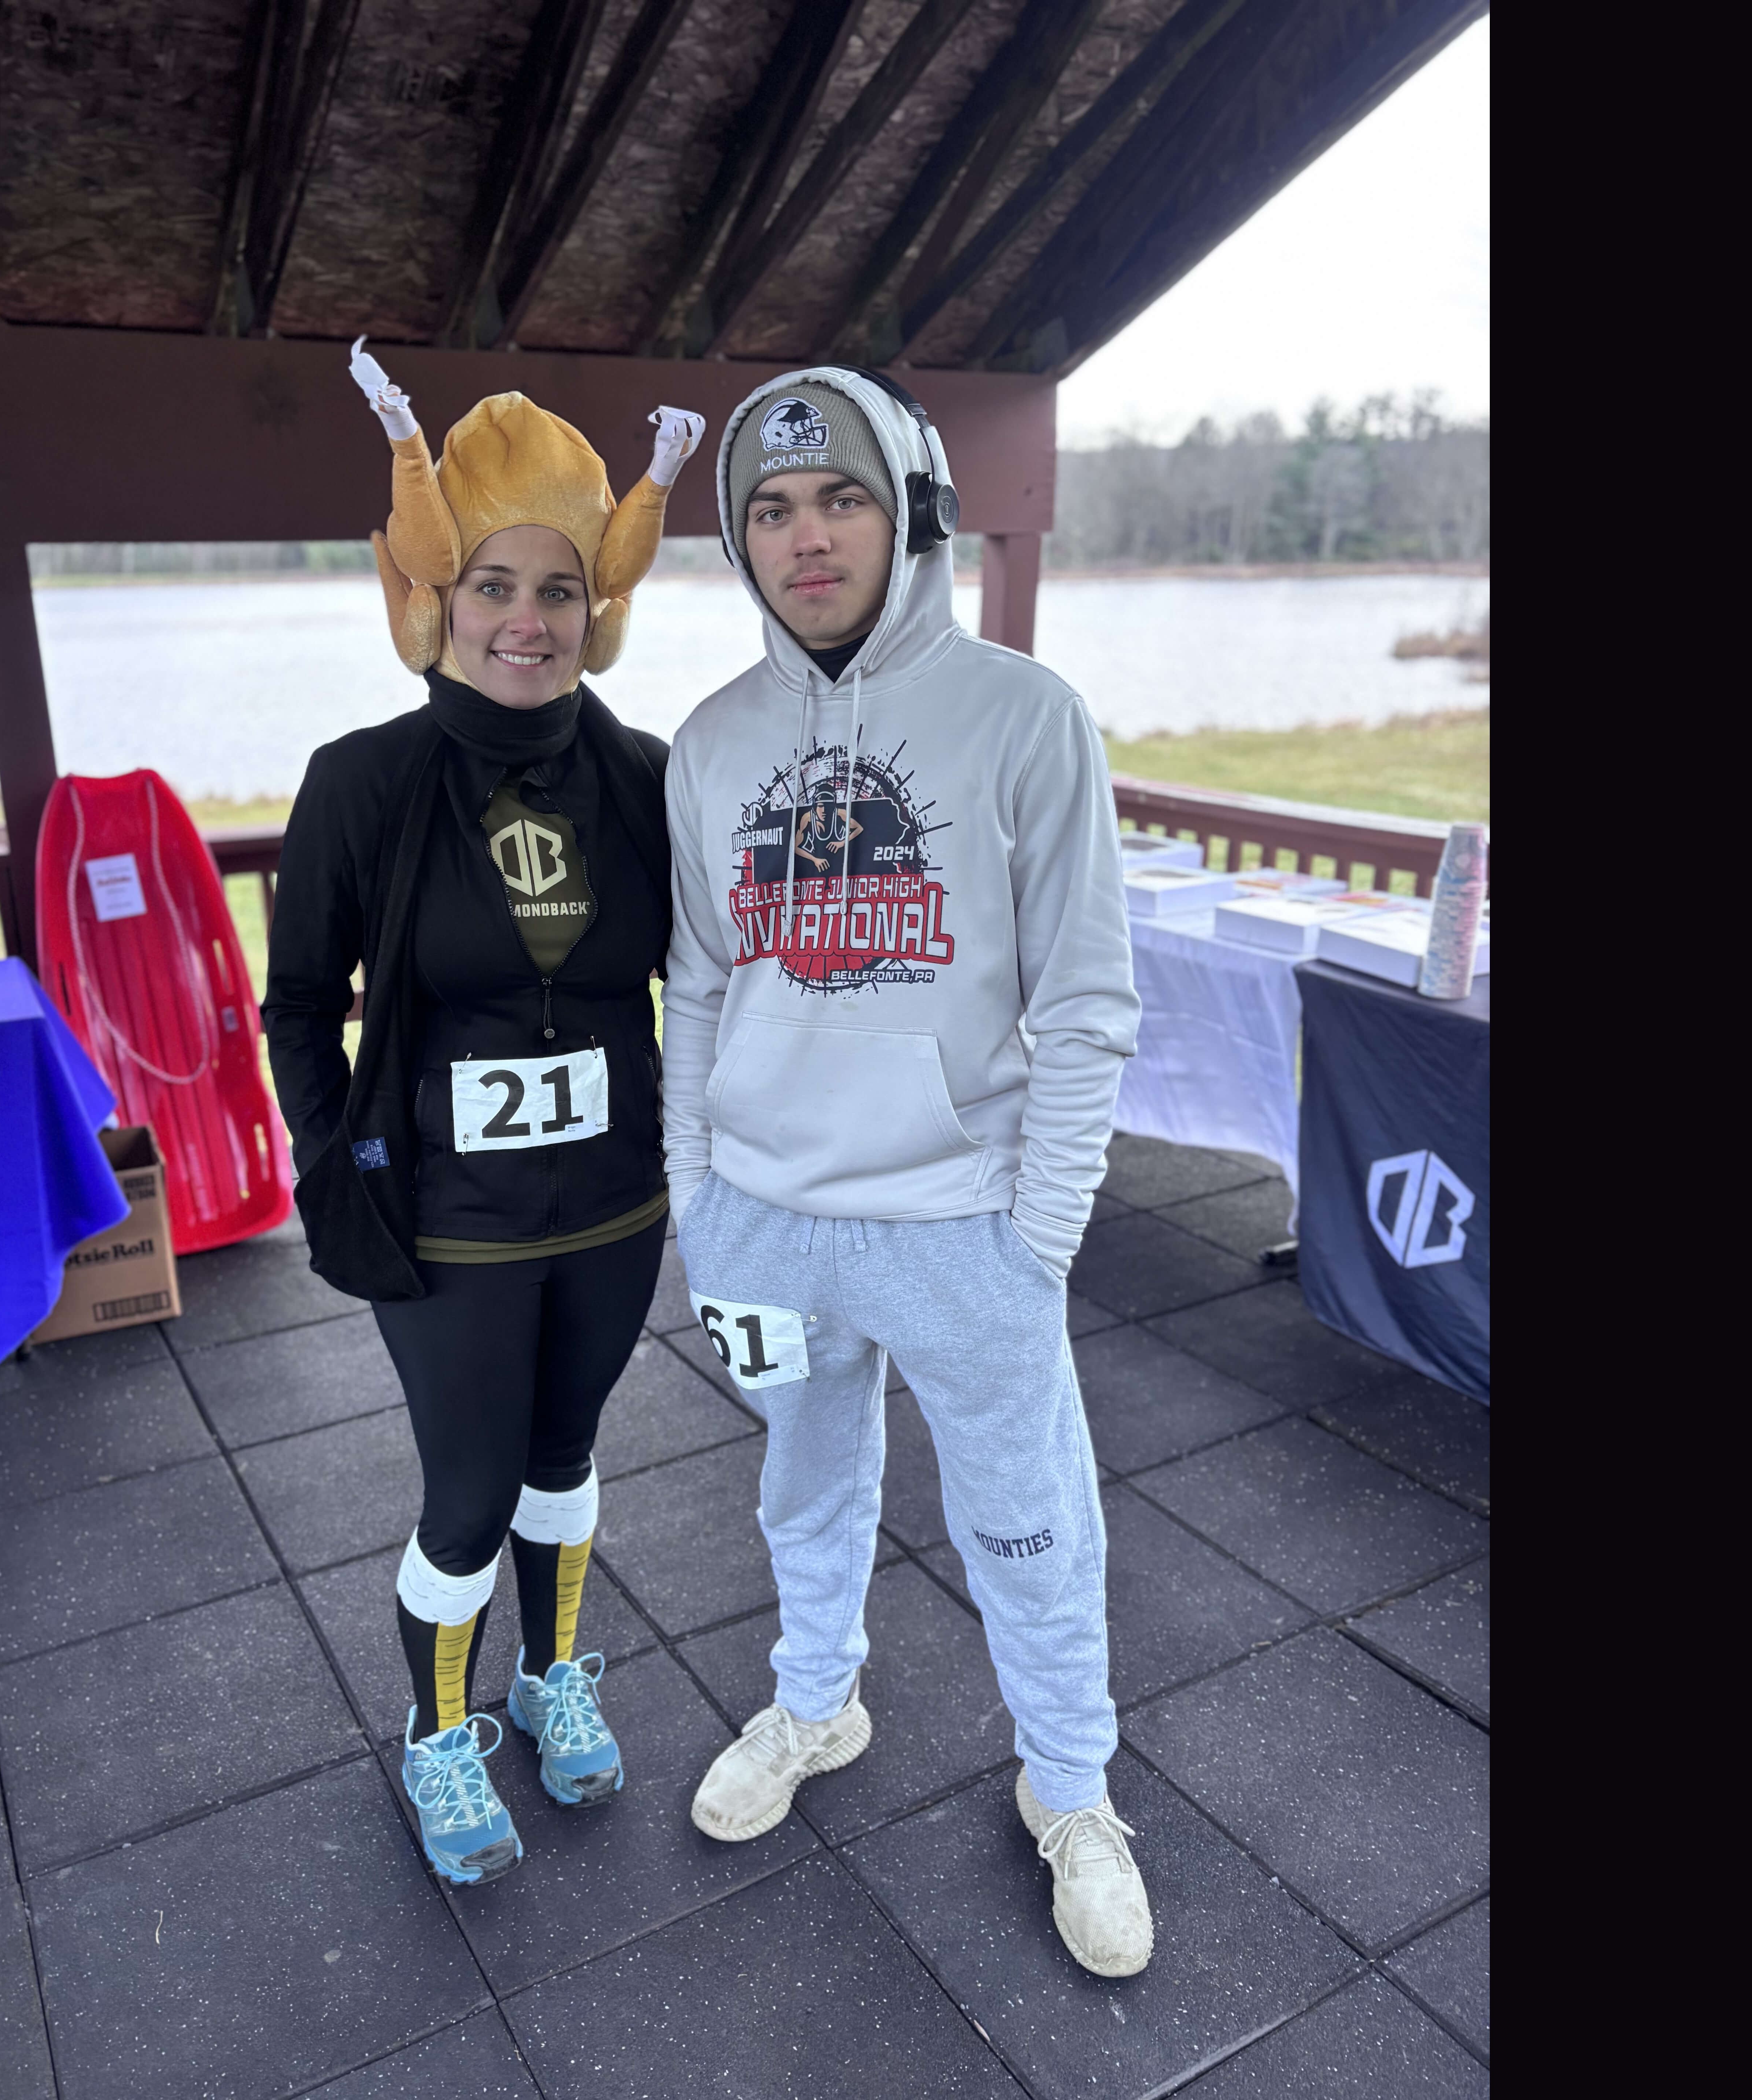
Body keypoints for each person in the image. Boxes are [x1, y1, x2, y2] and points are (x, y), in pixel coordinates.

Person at [661, 370, 1154, 1976]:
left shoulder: (1025, 716)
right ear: (741, 540)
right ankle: (819, 1704)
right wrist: (700, 1196)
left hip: (961, 1223)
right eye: (771, 510)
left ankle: (1070, 1787)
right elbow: (700, 987)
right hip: (767, 1219)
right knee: (802, 1491)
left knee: (1029, 1524)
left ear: (914, 512)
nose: (806, 537)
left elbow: (1085, 1002)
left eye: (842, 499)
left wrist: (1041, 1234)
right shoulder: (711, 745)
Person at [264, 343, 705, 1886]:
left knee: (565, 1457)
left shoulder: (647, 776)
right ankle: (438, 1732)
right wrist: (339, 1161)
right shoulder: (363, 782)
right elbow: (298, 1005)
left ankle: (550, 1672)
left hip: (614, 1204)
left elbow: (709, 977)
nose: (528, 620)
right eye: (495, 587)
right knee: (465, 1495)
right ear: (439, 598)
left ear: (600, 606)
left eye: (559, 591)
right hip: (448, 1220)